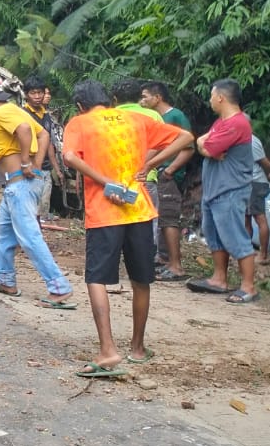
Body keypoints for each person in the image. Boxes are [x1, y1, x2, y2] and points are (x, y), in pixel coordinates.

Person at [62, 80, 195, 378]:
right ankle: (137, 348)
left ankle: (108, 349)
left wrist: (102, 181)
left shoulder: (80, 122)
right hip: (139, 210)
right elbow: (186, 138)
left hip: (104, 212)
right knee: (141, 279)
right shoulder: (137, 119)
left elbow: (69, 157)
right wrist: (153, 164)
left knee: (96, 278)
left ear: (81, 106)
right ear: (108, 100)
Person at [0, 76, 74, 308]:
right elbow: (43, 134)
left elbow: (25, 130)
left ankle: (59, 288)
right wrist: (37, 165)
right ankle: (6, 281)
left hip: (20, 185)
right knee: (4, 233)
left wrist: (27, 162)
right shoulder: (17, 110)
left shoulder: (3, 113)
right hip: (17, 185)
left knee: (29, 236)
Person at [188, 79, 258, 303]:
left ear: (220, 97)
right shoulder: (222, 122)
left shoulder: (236, 123)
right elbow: (203, 145)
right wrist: (202, 142)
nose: (209, 100)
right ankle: (219, 279)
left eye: (211, 96)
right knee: (214, 236)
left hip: (230, 189)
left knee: (235, 236)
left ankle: (249, 287)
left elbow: (209, 147)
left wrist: (204, 144)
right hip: (214, 189)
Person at [139, 81, 194, 280]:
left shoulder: (175, 116)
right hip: (158, 172)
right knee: (162, 219)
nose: (142, 101)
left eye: (145, 96)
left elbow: (188, 147)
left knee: (169, 219)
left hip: (167, 175)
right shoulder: (156, 119)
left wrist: (169, 170)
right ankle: (164, 259)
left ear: (157, 97)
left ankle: (175, 266)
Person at [23, 76, 61, 220]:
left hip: (45, 168)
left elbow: (49, 142)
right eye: (33, 93)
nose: (38, 97)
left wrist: (55, 168)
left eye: (40, 93)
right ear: (26, 94)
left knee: (41, 209)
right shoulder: (23, 114)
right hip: (29, 167)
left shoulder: (46, 115)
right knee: (29, 208)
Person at [246, 133, 270, 262]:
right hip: (246, 183)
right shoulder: (239, 139)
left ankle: (263, 255)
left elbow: (265, 163)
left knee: (259, 218)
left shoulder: (251, 140)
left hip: (255, 183)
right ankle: (246, 251)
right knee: (245, 218)